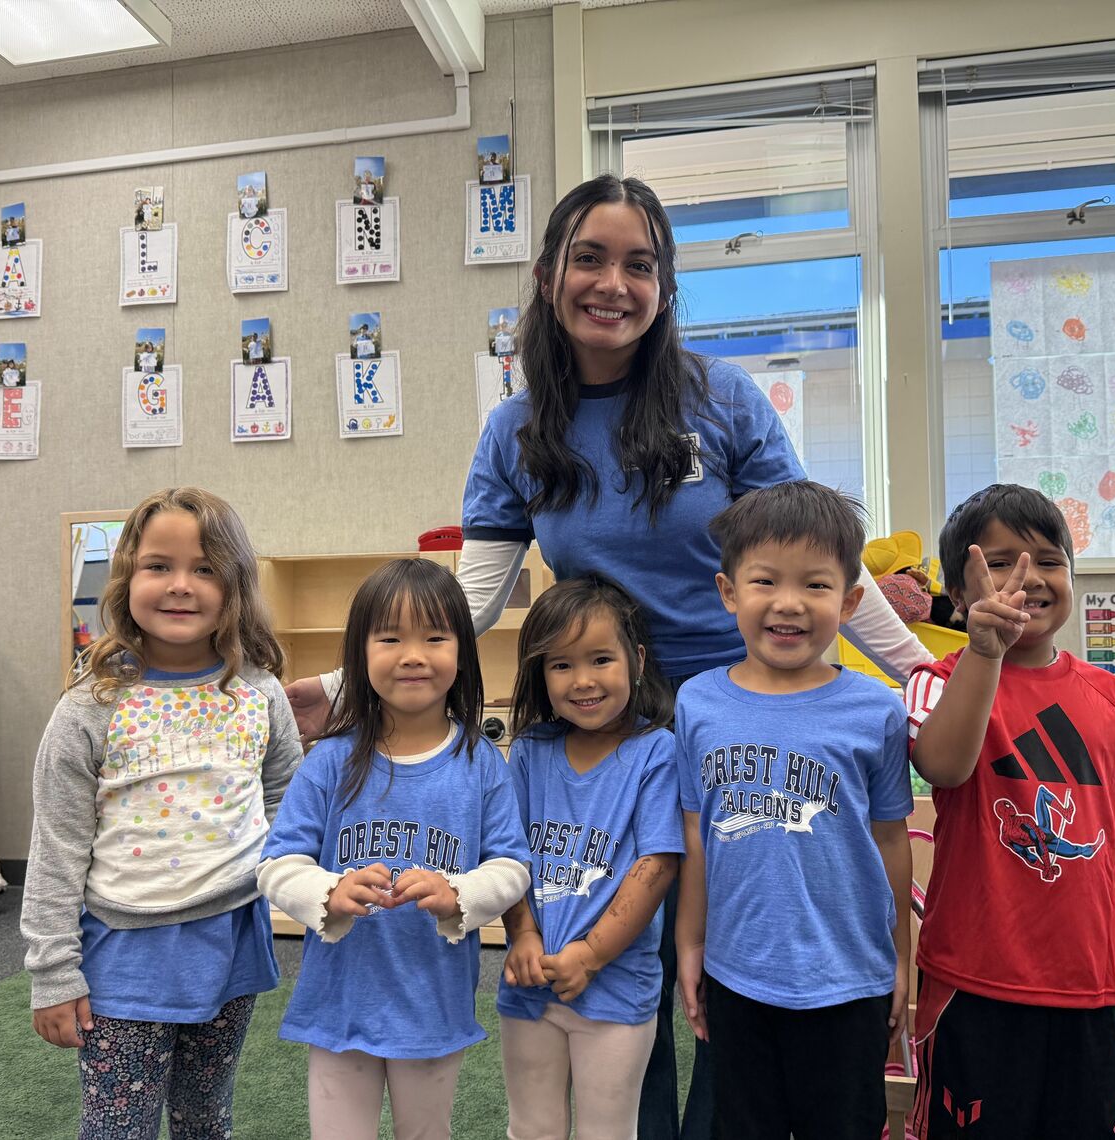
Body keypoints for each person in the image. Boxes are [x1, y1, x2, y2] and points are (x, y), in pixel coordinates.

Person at [286, 173, 933, 1140]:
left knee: (724, 962)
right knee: (618, 962)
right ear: (549, 275)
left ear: (665, 284)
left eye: (640, 264)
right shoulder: (517, 430)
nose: (614, 283)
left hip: (733, 710)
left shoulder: (724, 399)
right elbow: (478, 594)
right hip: (598, 712)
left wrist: (923, 662)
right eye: (591, 258)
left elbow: (820, 562)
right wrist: (343, 683)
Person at [21, 486, 303, 1140]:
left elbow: (288, 805)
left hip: (231, 948)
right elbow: (57, 851)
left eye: (204, 568)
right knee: (118, 1128)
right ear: (126, 578)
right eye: (159, 566)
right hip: (122, 960)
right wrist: (53, 975)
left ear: (234, 584)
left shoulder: (260, 692)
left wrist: (307, 889)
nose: (181, 585)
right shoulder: (88, 707)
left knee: (207, 1119)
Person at [903, 485, 1115, 1139]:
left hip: (1084, 977)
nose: (1028, 576)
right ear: (959, 595)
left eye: (1049, 560)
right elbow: (943, 763)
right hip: (972, 979)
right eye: (999, 563)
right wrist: (986, 653)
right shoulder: (934, 679)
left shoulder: (1109, 695)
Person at [673, 481, 913, 1140]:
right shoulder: (697, 703)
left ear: (850, 600)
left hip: (849, 981)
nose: (788, 604)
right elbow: (696, 835)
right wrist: (689, 942)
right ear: (729, 592)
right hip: (737, 975)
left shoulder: (877, 710)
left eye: (814, 585)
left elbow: (892, 840)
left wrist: (902, 959)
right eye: (765, 582)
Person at [258, 559, 530, 1140]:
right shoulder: (329, 760)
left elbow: (511, 866)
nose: (413, 654)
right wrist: (328, 890)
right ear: (358, 655)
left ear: (462, 652)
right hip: (340, 1002)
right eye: (390, 638)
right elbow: (278, 864)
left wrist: (459, 892)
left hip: (430, 1003)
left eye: (435, 637)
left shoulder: (482, 763)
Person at [498, 576, 682, 1139]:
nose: (582, 681)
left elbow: (656, 866)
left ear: (637, 659)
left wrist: (590, 955)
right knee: (531, 1128)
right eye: (560, 665)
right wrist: (524, 935)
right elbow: (506, 855)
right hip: (527, 984)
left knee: (608, 1130)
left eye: (600, 659)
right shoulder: (529, 752)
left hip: (616, 987)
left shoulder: (656, 750)